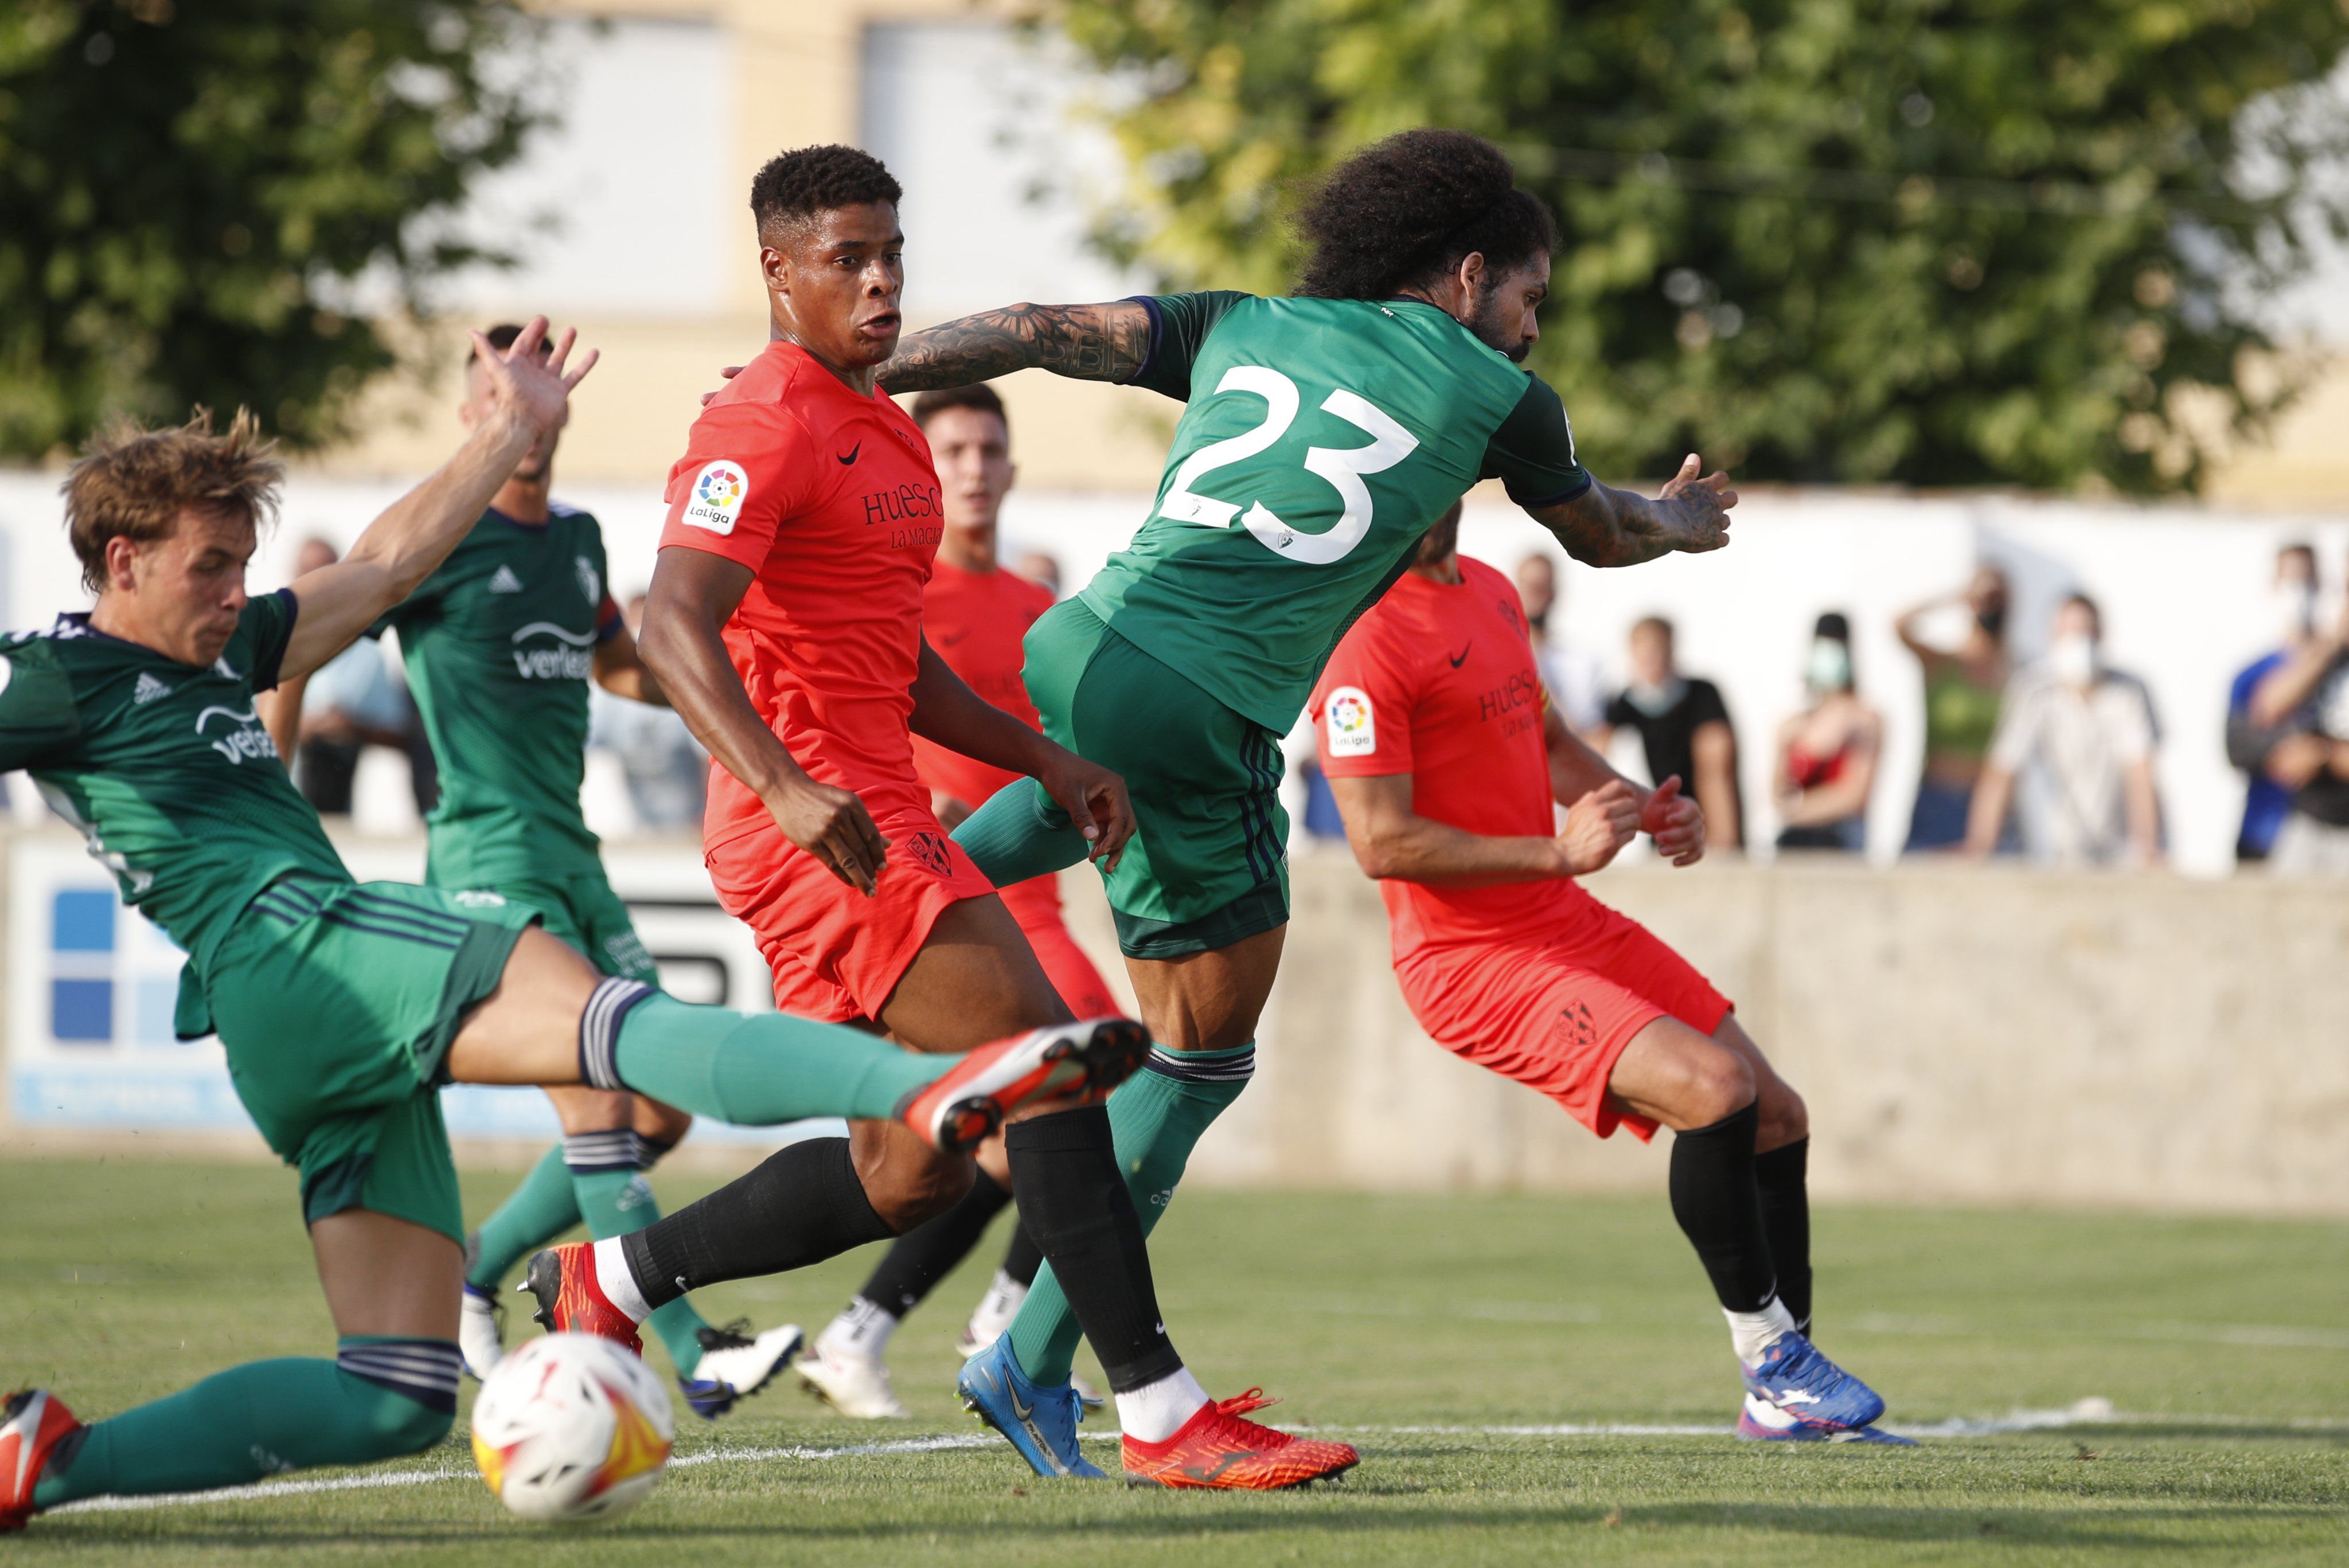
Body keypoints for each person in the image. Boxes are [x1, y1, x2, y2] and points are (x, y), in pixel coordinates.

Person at [0, 323, 1132, 1531]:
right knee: (614, 1027)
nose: (237, 593)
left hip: (294, 1024)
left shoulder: (226, 647)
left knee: (391, 1395)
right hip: (303, 944)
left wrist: (508, 432)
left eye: (242, 566)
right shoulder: (59, 677)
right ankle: (929, 1084)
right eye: (210, 568)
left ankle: (46, 1460)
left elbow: (384, 566)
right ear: (121, 560)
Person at [872, 126, 1737, 1477]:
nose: (1531, 325)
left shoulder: (1241, 320)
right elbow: (1602, 534)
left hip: (1083, 638)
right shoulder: (1502, 393)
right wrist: (1678, 521)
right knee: (1199, 1060)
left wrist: (849, 370)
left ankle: (891, 905)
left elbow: (1035, 328)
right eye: (1529, 295)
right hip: (1195, 701)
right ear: (1467, 274)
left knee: (1092, 798)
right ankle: (1038, 1361)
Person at [528, 145, 1336, 1491]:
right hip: (815, 826)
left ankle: (612, 1273)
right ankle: (1158, 1408)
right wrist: (784, 783)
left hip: (875, 810)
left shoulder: (888, 424)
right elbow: (670, 626)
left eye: (891, 252)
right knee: (1051, 1061)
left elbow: (894, 661)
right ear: (778, 270)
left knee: (913, 1172)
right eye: (846, 257)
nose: (880, 280)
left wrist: (1041, 753)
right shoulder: (757, 422)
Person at [1309, 510, 1905, 1442]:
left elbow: (1547, 744)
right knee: (1716, 1090)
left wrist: (1644, 810)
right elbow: (1381, 842)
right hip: (1470, 959)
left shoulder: (1491, 591)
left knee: (1776, 1114)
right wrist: (1557, 850)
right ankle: (1771, 1357)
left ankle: (1786, 1396)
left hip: (1562, 918)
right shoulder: (1361, 638)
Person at [348, 323, 796, 1415]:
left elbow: (617, 665)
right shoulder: (435, 540)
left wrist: (730, 689)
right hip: (488, 861)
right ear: (472, 418)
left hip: (576, 857)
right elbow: (313, 631)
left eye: (538, 398)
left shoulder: (580, 539)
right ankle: (694, 1352)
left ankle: (476, 1269)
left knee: (661, 1108)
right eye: (499, 399)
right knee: (598, 1105)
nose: (525, 421)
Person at [795, 382, 1123, 1420]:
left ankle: (880, 1331)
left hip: (1035, 898)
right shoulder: (899, 588)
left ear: (1013, 468)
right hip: (938, 886)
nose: (975, 468)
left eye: (990, 449)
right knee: (1066, 1097)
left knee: (1009, 1129)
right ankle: (998, 1330)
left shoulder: (1035, 606)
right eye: (955, 452)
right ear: (923, 474)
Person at [1964, 593, 2163, 866]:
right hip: (2052, 850)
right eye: (2068, 632)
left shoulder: (2128, 692)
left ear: (2101, 635)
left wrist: (2147, 846)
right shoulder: (2033, 691)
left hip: (2121, 851)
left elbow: (2140, 772)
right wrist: (1980, 843)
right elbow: (2003, 770)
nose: (2077, 641)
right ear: (2052, 637)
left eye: (2085, 632)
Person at [263, 536, 437, 819]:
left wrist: (350, 726)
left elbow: (401, 733)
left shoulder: (365, 654)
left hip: (336, 811)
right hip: (276, 809)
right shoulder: (264, 639)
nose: (313, 582)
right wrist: (304, 725)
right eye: (307, 572)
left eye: (323, 572)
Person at [1602, 616, 1743, 851]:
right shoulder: (1624, 704)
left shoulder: (1702, 694)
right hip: (1657, 817)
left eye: (1658, 650)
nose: (1653, 660)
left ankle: (1721, 842)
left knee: (1714, 748)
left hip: (1703, 809)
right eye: (1645, 653)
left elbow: (1718, 757)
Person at [1896, 566, 2011, 851]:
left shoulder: (2010, 672)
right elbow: (1899, 624)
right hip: (1939, 799)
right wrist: (1955, 597)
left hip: (1987, 805)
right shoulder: (1943, 664)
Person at [2249, 550, 2349, 874]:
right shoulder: (2330, 653)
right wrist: (2332, 645)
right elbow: (2267, 708)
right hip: (2311, 823)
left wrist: (2324, 755)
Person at [590, 595, 710, 832]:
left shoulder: (685, 683)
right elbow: (588, 741)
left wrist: (707, 816)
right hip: (641, 828)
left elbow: (707, 754)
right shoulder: (610, 691)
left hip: (691, 825)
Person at [1772, 612, 1880, 853]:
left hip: (1842, 841)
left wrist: (1797, 809)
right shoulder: (1793, 725)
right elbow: (1776, 796)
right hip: (1797, 842)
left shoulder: (1866, 722)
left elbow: (1853, 798)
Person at [1515, 550, 1608, 740]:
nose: (1534, 593)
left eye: (1541, 586)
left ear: (1554, 592)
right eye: (1528, 585)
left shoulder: (1581, 659)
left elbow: (1589, 733)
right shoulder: (1497, 655)